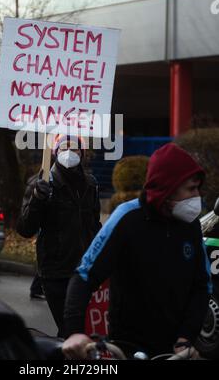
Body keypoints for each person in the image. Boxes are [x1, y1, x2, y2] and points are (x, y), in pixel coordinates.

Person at [62, 143, 212, 359]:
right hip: (127, 347)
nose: (196, 196)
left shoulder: (191, 226)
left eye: (198, 188)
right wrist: (74, 332)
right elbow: (84, 276)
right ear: (167, 189)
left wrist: (186, 337)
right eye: (191, 189)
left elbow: (202, 286)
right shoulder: (127, 218)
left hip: (175, 350)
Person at [17, 134, 101, 337]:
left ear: (82, 153)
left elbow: (94, 224)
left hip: (84, 271)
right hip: (56, 271)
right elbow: (25, 228)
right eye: (64, 148)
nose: (70, 153)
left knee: (83, 331)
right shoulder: (41, 183)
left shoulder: (90, 184)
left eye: (75, 148)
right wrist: (38, 199)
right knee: (70, 330)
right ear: (55, 152)